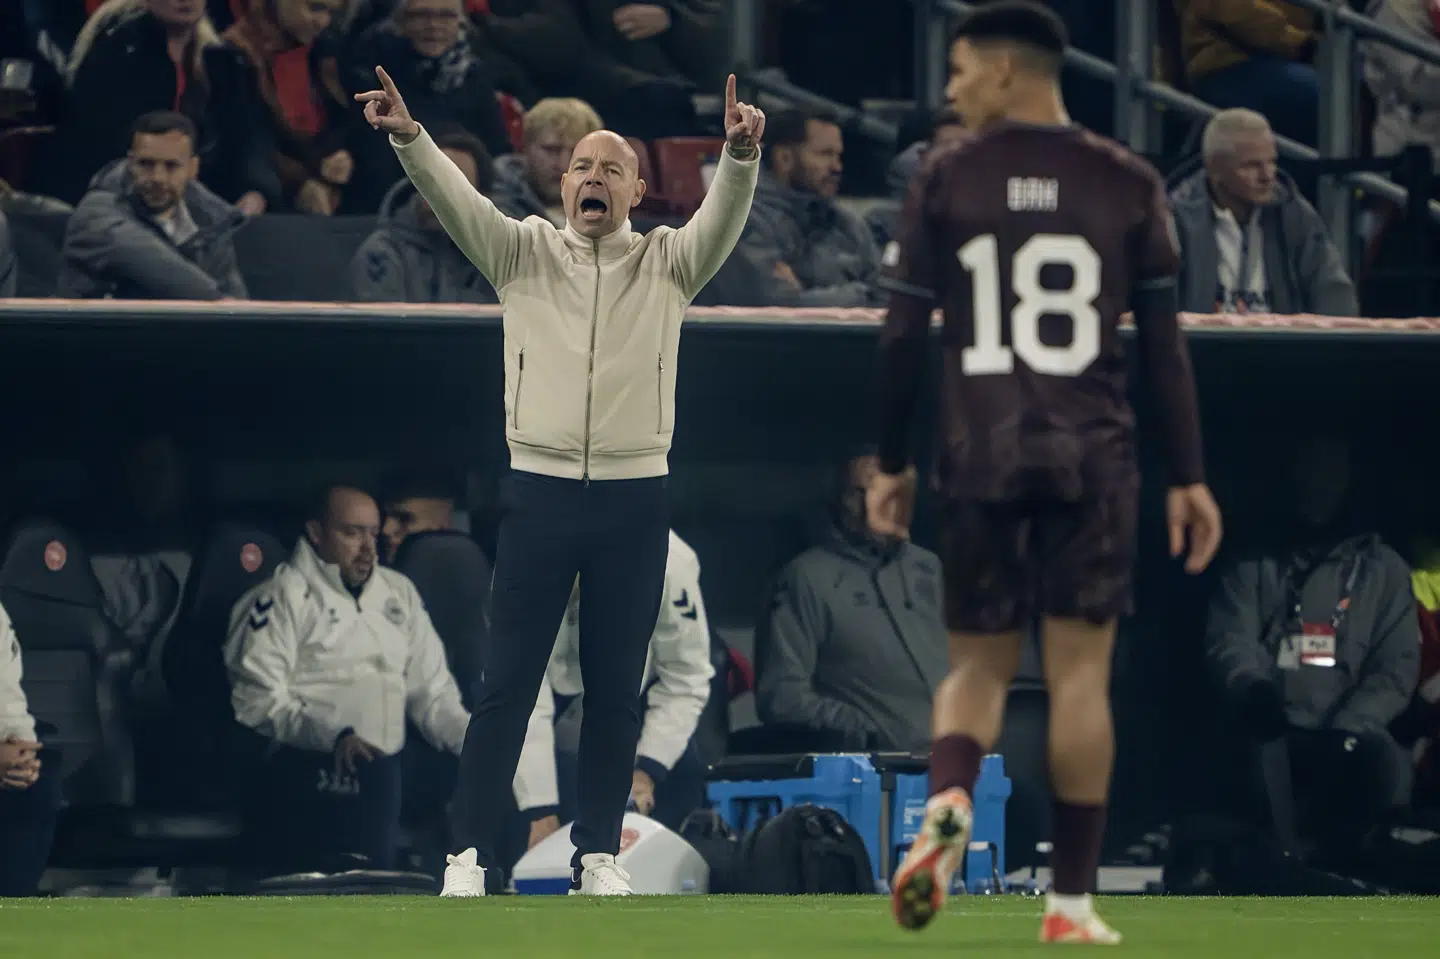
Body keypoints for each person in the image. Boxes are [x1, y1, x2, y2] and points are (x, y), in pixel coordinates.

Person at [354, 65, 764, 897]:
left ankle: (598, 855)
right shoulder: (521, 252)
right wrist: (408, 135)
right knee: (507, 684)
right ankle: (467, 855)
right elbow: (458, 199)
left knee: (618, 688)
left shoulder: (668, 266)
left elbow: (720, 221)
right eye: (582, 166)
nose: (594, 178)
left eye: (613, 168)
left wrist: (740, 157)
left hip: (634, 496)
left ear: (639, 189)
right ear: (561, 181)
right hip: (538, 493)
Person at [865, 2, 1223, 943]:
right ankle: (1068, 903)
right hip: (1092, 457)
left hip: (977, 450)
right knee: (1078, 682)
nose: (948, 91)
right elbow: (1166, 352)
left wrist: (892, 461)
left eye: (957, 72)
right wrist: (1188, 474)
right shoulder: (1130, 181)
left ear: (1004, 72)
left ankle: (948, 802)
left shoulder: (942, 176)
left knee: (975, 671)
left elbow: (900, 338)